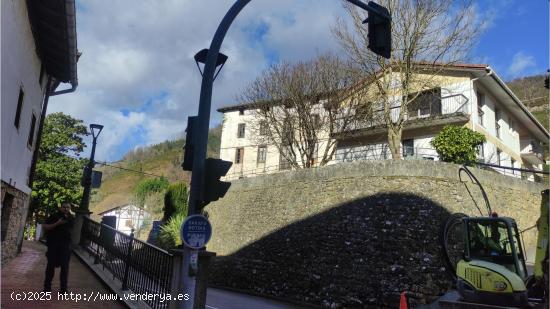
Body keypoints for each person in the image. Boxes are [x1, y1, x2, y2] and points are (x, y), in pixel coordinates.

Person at [42, 202, 74, 293]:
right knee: (50, 267)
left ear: (70, 208)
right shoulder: (54, 216)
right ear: (61, 208)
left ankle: (63, 289)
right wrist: (58, 223)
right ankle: (47, 289)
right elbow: (46, 227)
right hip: (53, 245)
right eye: (64, 207)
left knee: (65, 268)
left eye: (68, 207)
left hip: (65, 247)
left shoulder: (71, 218)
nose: (66, 209)